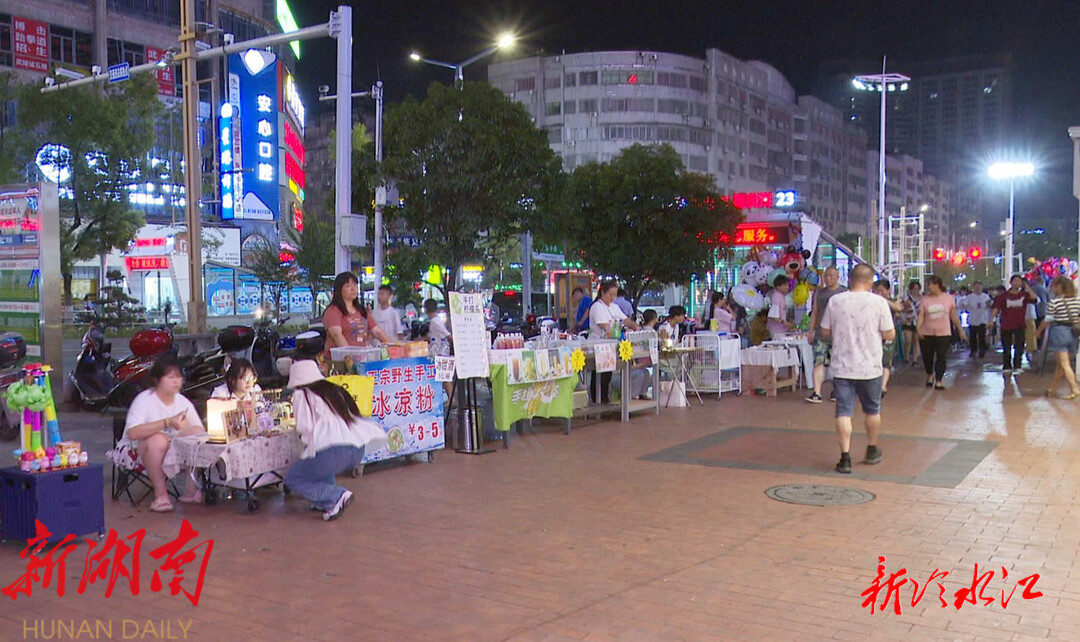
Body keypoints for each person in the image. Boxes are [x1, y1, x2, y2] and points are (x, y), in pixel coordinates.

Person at [284, 359, 388, 521]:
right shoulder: (333, 389)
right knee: (319, 461)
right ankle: (323, 502)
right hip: (357, 450)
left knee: (293, 477)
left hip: (334, 452)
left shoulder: (301, 394)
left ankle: (335, 496)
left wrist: (304, 440)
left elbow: (305, 427)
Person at [819, 264, 895, 474]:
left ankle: (845, 457)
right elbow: (889, 333)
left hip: (842, 366)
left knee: (843, 412)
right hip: (870, 367)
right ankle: (871, 448)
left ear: (850, 280)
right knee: (872, 409)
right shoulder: (879, 302)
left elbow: (825, 331)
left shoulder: (836, 301)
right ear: (870, 283)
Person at [119, 356, 205, 512]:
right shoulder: (144, 400)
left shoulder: (182, 401)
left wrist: (185, 428)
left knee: (197, 433)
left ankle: (190, 489)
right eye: (170, 377)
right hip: (137, 448)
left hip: (171, 448)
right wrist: (167, 422)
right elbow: (132, 433)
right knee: (159, 440)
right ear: (157, 380)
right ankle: (161, 495)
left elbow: (198, 431)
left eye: (179, 377)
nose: (176, 381)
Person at [588, 280, 640, 404]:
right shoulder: (597, 307)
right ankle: (597, 399)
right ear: (602, 292)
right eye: (610, 295)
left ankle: (604, 398)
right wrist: (619, 327)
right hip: (599, 345)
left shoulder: (614, 307)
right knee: (600, 374)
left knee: (607, 374)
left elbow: (625, 319)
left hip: (610, 346)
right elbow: (604, 326)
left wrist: (634, 326)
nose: (612, 298)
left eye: (615, 295)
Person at [323, 272, 393, 356]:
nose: (353, 289)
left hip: (361, 359)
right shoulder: (333, 311)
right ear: (339, 290)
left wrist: (393, 347)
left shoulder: (362, 311)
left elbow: (377, 332)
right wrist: (351, 357)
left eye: (355, 285)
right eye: (348, 286)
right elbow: (337, 335)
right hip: (338, 360)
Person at [805, 266, 846, 404]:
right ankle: (817, 392)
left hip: (839, 334)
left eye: (831, 275)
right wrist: (811, 331)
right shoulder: (819, 293)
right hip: (821, 333)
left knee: (838, 363)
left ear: (837, 277)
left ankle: (837, 390)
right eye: (826, 276)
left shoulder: (844, 292)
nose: (828, 278)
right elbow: (815, 312)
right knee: (818, 361)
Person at [917, 275, 966, 389]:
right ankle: (930, 374)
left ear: (937, 285)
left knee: (941, 356)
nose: (928, 287)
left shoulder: (949, 298)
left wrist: (960, 330)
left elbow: (953, 316)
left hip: (943, 332)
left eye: (930, 284)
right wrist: (918, 328)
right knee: (927, 356)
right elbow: (921, 315)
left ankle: (939, 379)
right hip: (927, 332)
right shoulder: (925, 299)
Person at [1036, 276, 1080, 399]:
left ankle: (1075, 389)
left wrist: (1038, 331)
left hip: (1059, 332)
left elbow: (1047, 320)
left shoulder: (1055, 302)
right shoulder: (1077, 301)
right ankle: (1051, 388)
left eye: (1053, 286)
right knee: (1060, 364)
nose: (1052, 289)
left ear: (1059, 287)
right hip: (1074, 333)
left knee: (1064, 363)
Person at [992, 275, 1038, 375]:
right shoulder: (1004, 296)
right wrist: (991, 320)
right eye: (1015, 281)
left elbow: (1035, 298)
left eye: (1019, 281)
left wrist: (1027, 287)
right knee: (1006, 346)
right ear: (1011, 282)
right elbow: (996, 308)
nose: (1017, 283)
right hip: (1006, 324)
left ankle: (1018, 365)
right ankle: (1007, 365)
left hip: (1020, 324)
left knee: (1019, 346)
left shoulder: (1024, 295)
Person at [873, 279, 903, 396]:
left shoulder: (893, 301)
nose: (879, 293)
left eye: (882, 290)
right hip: (873, 334)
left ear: (888, 290)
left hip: (888, 334)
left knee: (886, 360)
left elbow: (898, 308)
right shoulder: (871, 301)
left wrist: (883, 300)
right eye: (877, 291)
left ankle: (883, 386)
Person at [962, 281, 993, 358]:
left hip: (983, 319)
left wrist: (990, 304)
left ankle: (982, 350)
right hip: (972, 319)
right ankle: (973, 350)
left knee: (982, 335)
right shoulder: (969, 297)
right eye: (976, 286)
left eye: (979, 286)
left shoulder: (985, 296)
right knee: (973, 336)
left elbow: (990, 304)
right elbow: (963, 304)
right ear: (973, 287)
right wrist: (964, 307)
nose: (978, 288)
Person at [899, 281, 922, 365]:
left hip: (918, 321)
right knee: (908, 340)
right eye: (914, 289)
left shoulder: (922, 299)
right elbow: (901, 309)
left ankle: (915, 359)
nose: (916, 291)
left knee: (916, 340)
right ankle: (906, 357)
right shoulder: (906, 298)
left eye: (917, 289)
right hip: (908, 321)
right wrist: (906, 310)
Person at [766, 275, 794, 340]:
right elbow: (773, 316)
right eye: (785, 285)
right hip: (776, 330)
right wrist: (784, 323)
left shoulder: (781, 296)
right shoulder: (776, 297)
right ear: (778, 286)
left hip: (780, 329)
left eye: (788, 285)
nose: (787, 287)